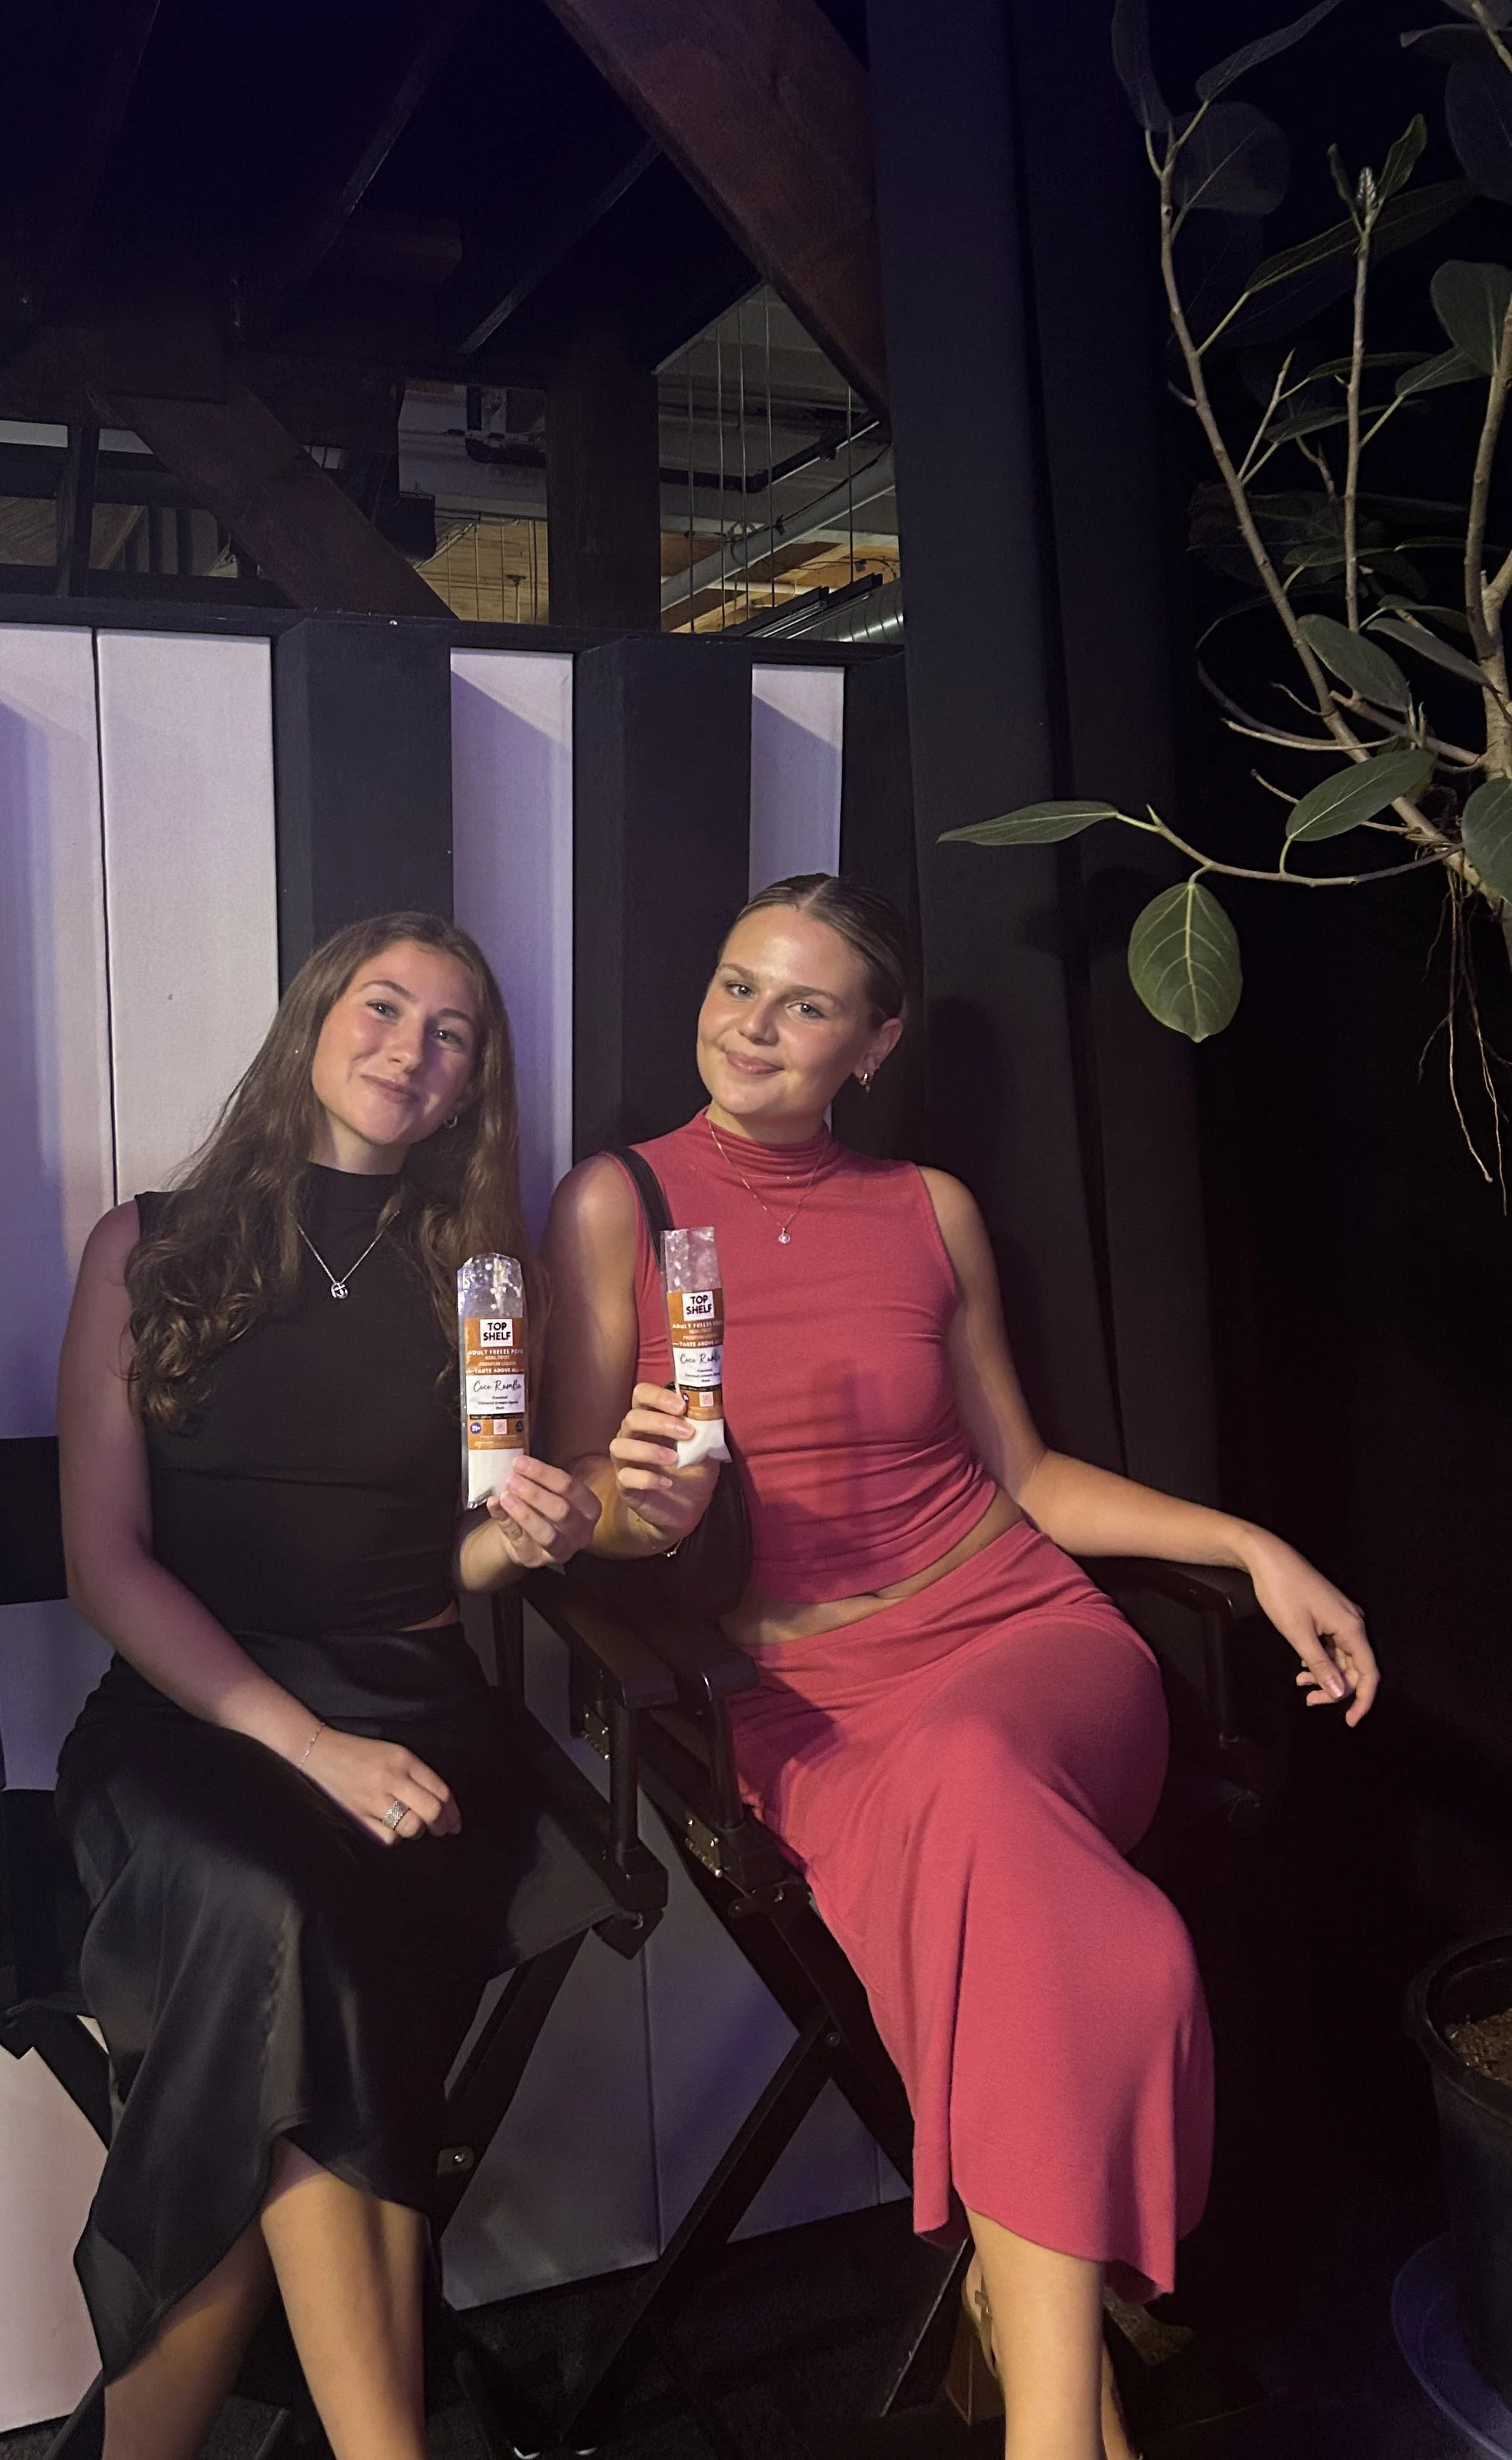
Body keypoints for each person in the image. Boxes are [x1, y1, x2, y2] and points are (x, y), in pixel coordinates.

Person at [540, 872, 1378, 2460]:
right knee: (1046, 1920)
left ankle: (1049, 2428)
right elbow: (590, 1509)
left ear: (872, 1042)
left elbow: (1025, 1473)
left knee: (983, 1780)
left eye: (801, 1004)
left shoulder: (928, 1207)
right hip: (803, 1702)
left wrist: (1249, 1546)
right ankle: (1043, 2359)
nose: (752, 1027)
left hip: (1022, 1637)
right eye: (734, 986)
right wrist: (637, 1503)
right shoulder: (617, 1205)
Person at [55, 913, 609, 2460]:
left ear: (472, 1082)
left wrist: (532, 1525)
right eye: (383, 1006)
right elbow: (107, 1564)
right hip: (186, 1729)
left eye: (451, 1033)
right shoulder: (146, 1244)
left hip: (416, 1728)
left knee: (282, 1979)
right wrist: (302, 1746)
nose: (409, 1051)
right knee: (278, 1925)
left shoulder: (485, 1283)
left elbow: (464, 1563)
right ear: (314, 1019)